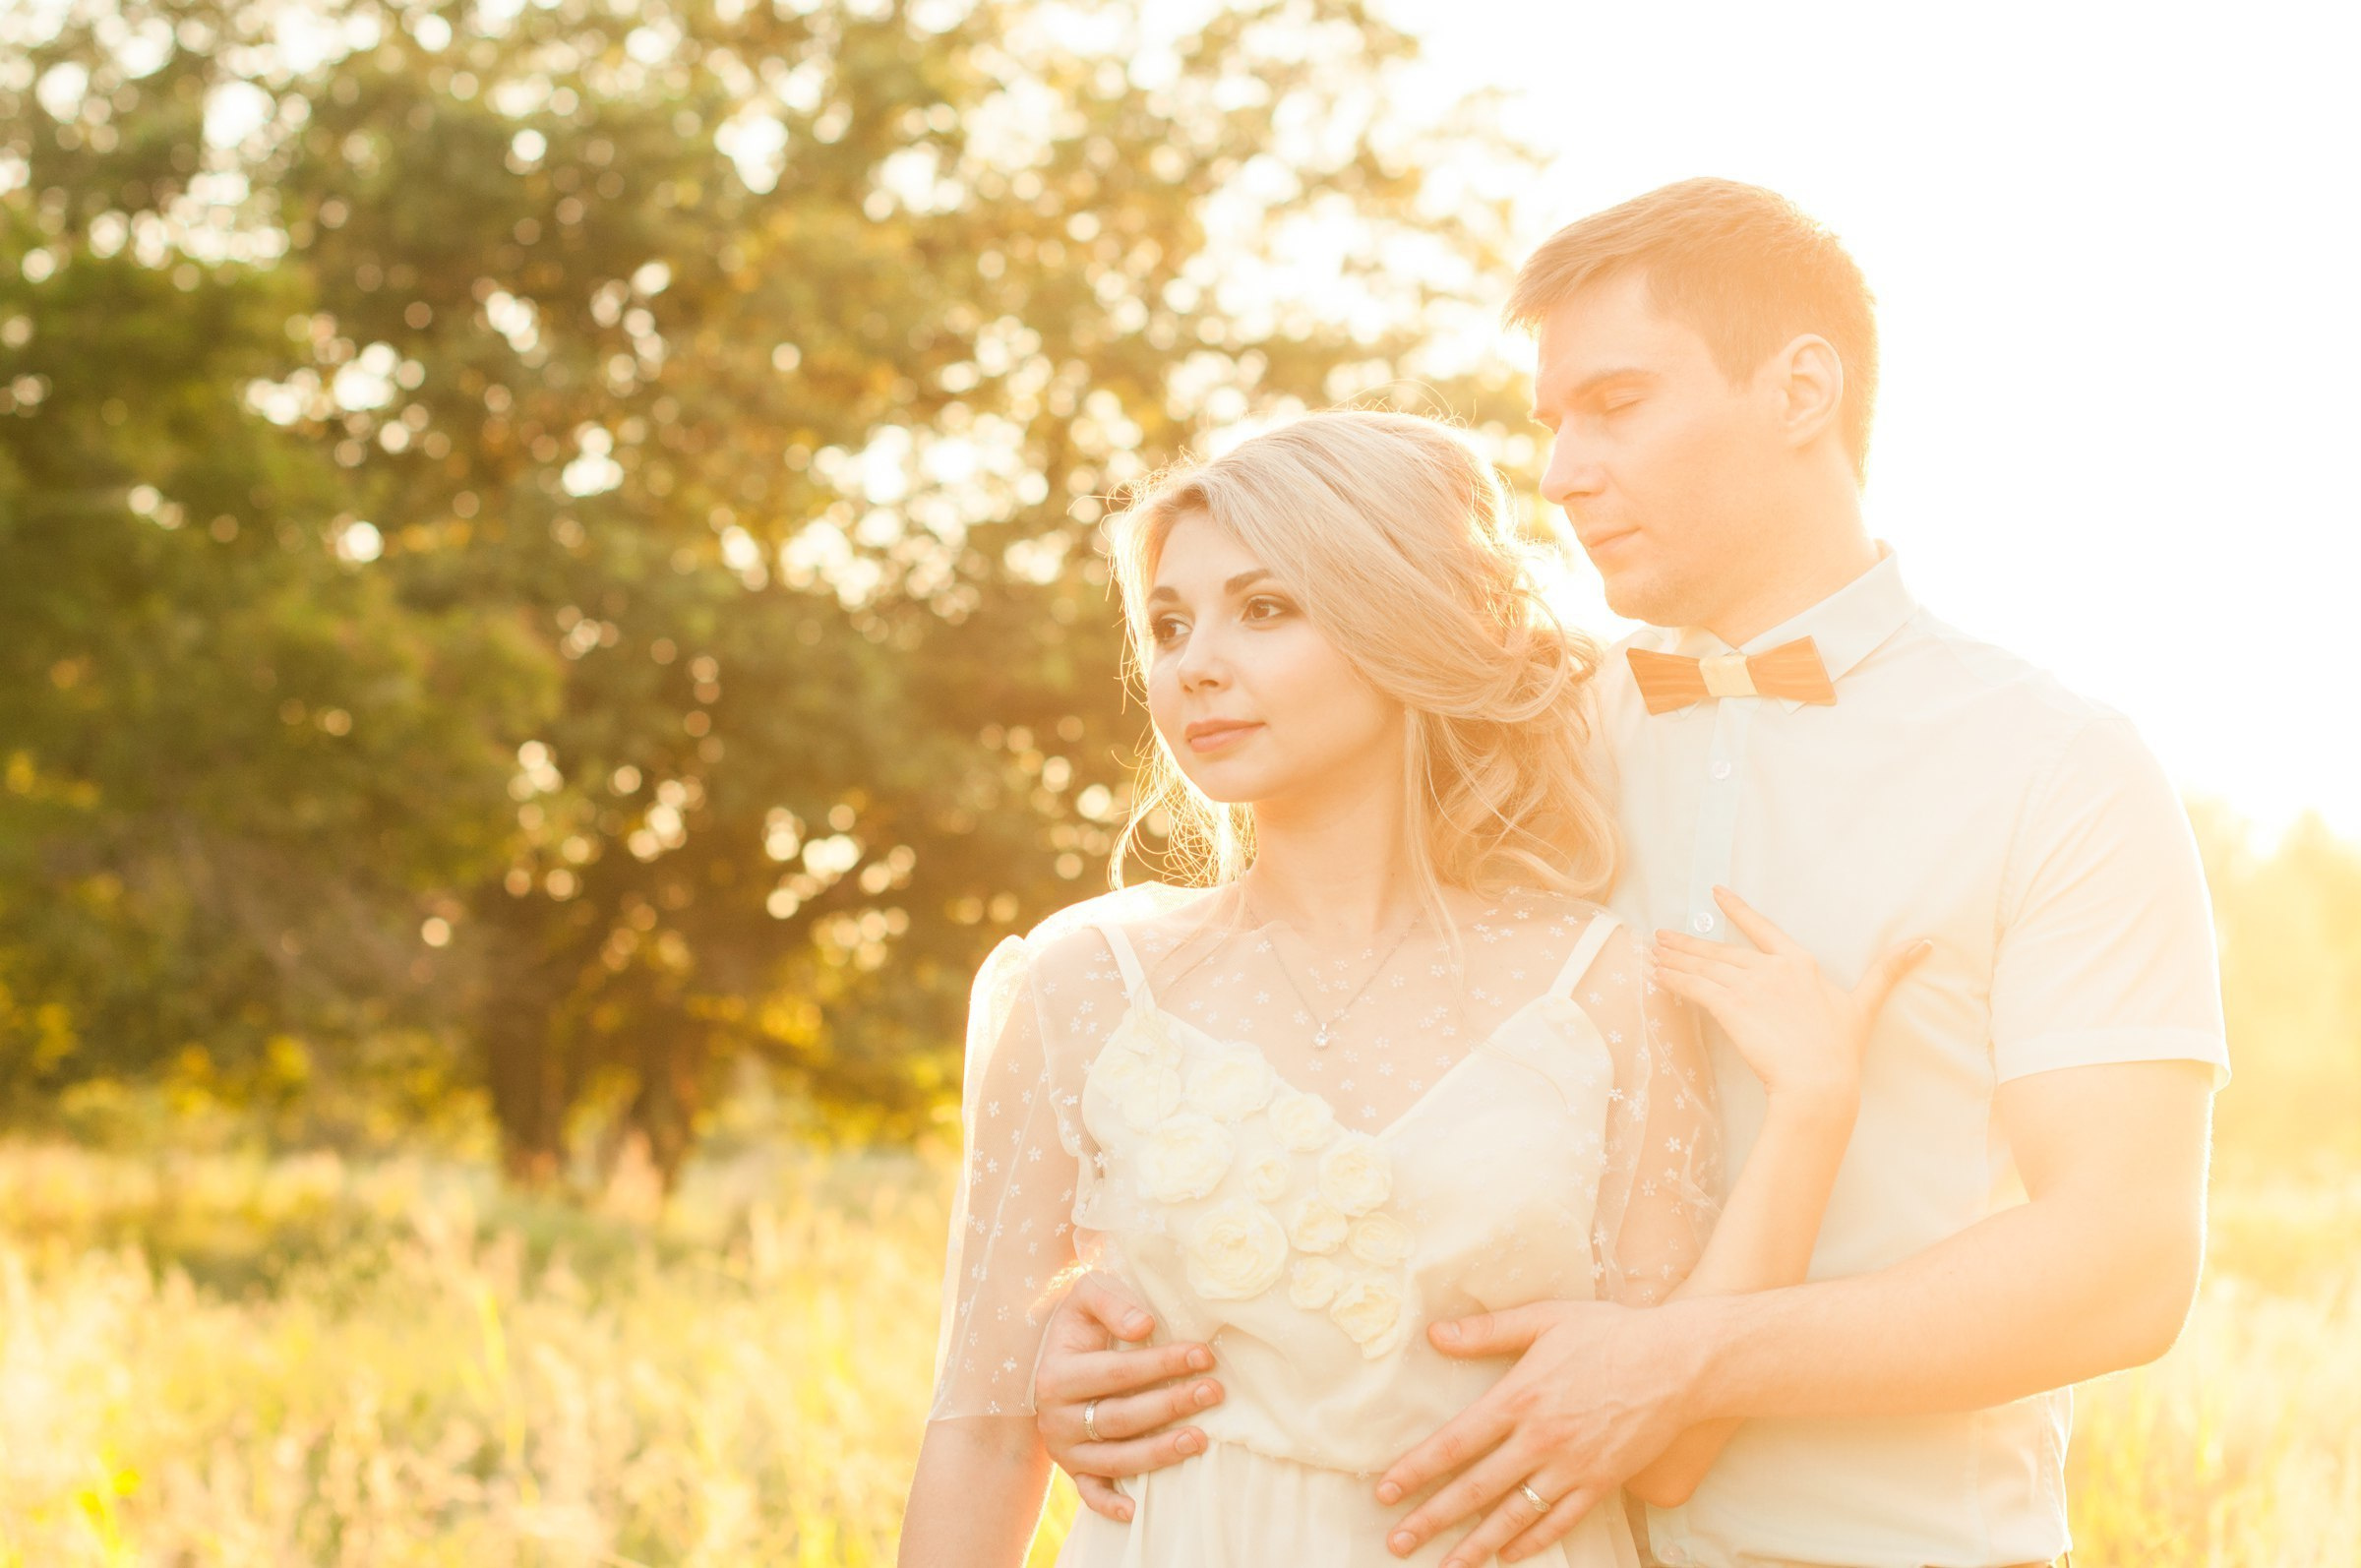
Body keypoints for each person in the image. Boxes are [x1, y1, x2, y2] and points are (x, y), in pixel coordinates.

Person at [1026, 179, 2229, 1568]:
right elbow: (1282, 1038)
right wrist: (1087, 1319)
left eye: (1616, 404)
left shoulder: (2053, 764)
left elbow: (2124, 1259)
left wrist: (1690, 1363)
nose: (1559, 470)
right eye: (1549, 423)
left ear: (1800, 391)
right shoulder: (1492, 745)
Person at [898, 409, 1931, 1567]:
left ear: (1403, 621)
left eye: (1266, 608)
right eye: (1171, 623)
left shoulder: (1600, 985)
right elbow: (982, 1442)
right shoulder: (1086, 983)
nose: (1196, 663)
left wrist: (1813, 1108)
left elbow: (1668, 1451)